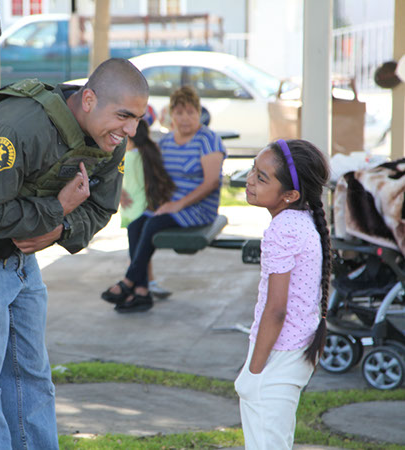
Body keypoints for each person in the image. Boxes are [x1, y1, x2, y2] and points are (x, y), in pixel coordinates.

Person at [0, 58, 149, 449]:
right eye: (124, 115)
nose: (130, 130)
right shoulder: (21, 123)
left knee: (32, 380)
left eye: (137, 119)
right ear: (88, 99)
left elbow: (100, 207)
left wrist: (59, 228)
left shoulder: (109, 139)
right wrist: (55, 211)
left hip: (22, 263)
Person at [234, 139, 331, 449]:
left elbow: (276, 310)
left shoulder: (283, 229)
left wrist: (253, 372)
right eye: (253, 170)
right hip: (294, 351)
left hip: (277, 357)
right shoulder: (301, 220)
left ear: (290, 195)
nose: (250, 180)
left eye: (262, 178)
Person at [101, 85, 226, 312]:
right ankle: (141, 292)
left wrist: (177, 204)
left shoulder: (208, 140)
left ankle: (130, 281)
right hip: (168, 205)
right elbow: (149, 171)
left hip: (198, 208)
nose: (185, 118)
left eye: (191, 112)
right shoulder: (167, 142)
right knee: (136, 223)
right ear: (171, 115)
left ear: (199, 113)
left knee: (151, 225)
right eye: (179, 113)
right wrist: (126, 193)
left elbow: (212, 182)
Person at [119, 117, 176, 299]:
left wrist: (119, 193)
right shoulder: (147, 153)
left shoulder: (128, 157)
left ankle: (137, 288)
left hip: (131, 212)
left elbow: (119, 182)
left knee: (135, 253)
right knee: (141, 252)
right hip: (145, 208)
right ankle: (148, 283)